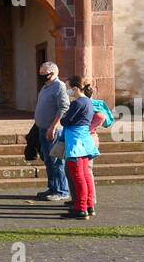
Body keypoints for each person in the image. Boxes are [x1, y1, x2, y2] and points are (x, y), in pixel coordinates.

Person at [61, 77, 105, 219]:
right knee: (85, 175)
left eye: (68, 87)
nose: (67, 90)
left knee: (78, 176)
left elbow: (65, 121)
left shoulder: (77, 103)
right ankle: (89, 206)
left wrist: (63, 117)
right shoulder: (88, 101)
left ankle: (80, 208)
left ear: (74, 88)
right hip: (85, 140)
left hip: (76, 142)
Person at [33, 61, 71, 202]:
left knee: (56, 160)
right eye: (41, 74)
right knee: (48, 160)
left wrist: (53, 126)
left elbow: (64, 107)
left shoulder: (59, 86)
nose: (42, 76)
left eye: (44, 74)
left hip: (53, 130)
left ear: (53, 73)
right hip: (43, 129)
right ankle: (53, 187)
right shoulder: (45, 87)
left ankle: (61, 190)